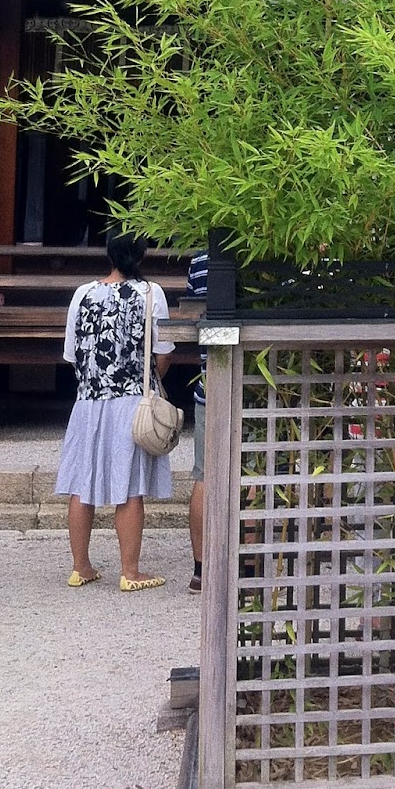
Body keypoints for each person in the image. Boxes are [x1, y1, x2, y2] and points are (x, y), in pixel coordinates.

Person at [55, 233, 176, 591]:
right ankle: (130, 572)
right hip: (131, 400)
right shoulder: (151, 293)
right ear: (141, 256)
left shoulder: (82, 293)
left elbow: (72, 354)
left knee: (82, 484)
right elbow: (164, 352)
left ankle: (81, 567)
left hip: (88, 400)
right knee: (130, 486)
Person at [185, 249, 209, 593]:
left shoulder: (201, 261)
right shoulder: (279, 249)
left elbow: (192, 315)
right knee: (254, 475)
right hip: (263, 385)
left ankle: (201, 569)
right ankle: (249, 565)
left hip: (212, 379)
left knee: (206, 475)